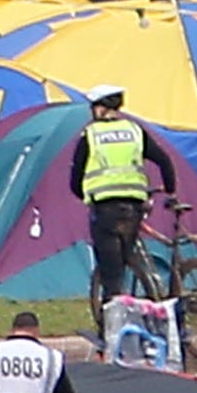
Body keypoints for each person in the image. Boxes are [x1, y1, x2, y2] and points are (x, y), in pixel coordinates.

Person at [67, 85, 177, 318]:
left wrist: (85, 195)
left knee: (111, 274)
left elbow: (75, 178)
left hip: (105, 209)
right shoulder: (134, 131)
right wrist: (170, 190)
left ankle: (112, 327)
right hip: (134, 206)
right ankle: (146, 306)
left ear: (100, 109)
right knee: (126, 258)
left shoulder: (91, 136)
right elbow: (164, 160)